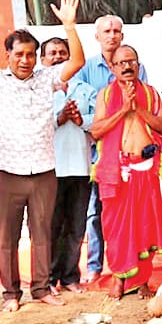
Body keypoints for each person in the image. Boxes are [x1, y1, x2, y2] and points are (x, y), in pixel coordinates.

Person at [0, 0, 84, 312]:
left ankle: (41, 288)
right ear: (7, 55)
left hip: (43, 171)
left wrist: (70, 26)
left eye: (29, 54)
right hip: (7, 172)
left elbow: (78, 60)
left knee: (42, 235)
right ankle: (11, 294)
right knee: (7, 238)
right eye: (18, 54)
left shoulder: (46, 78)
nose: (25, 60)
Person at [90, 45, 162, 299]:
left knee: (145, 227)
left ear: (138, 65)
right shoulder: (105, 95)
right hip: (117, 173)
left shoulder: (150, 94)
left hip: (144, 171)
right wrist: (123, 110)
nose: (127, 66)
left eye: (132, 62)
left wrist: (139, 110)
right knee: (115, 229)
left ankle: (142, 282)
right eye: (121, 62)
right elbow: (96, 131)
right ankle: (118, 278)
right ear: (112, 67)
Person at [77, 15, 148, 284]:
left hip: (133, 154)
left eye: (117, 30)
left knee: (134, 213)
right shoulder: (86, 69)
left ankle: (132, 269)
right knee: (97, 212)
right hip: (100, 153)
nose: (112, 35)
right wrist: (104, 122)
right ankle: (95, 265)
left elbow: (144, 102)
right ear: (97, 36)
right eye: (106, 30)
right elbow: (82, 113)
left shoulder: (136, 67)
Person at [40, 38, 97, 295]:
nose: (58, 57)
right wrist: (58, 119)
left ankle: (71, 275)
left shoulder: (85, 89)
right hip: (50, 168)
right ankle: (49, 279)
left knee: (76, 226)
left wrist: (79, 119)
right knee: (52, 226)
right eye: (52, 53)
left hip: (80, 167)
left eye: (63, 52)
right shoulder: (36, 90)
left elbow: (100, 120)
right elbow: (28, 126)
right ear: (42, 60)